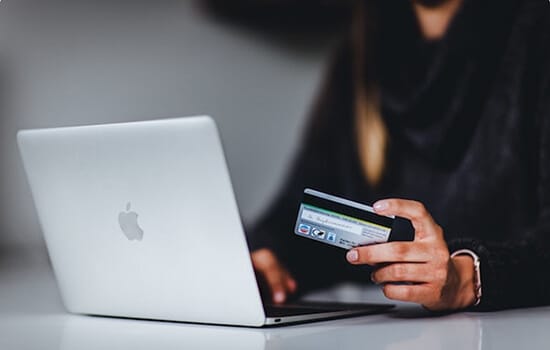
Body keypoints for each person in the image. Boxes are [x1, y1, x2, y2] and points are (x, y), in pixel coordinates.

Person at [247, 0, 550, 311]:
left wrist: (467, 278)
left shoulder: (537, 32)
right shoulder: (361, 57)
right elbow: (296, 214)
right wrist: (269, 259)